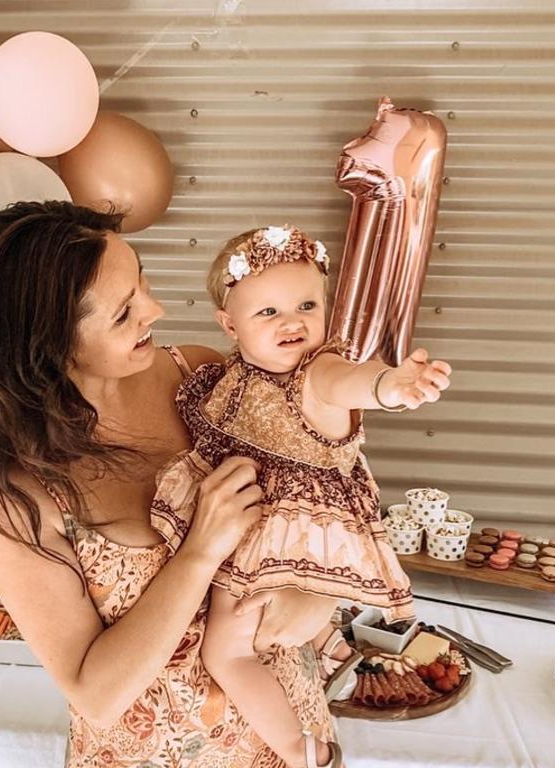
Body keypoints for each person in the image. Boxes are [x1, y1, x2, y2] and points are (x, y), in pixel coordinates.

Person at [0, 201, 339, 768]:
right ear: (49, 345)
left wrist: (318, 590)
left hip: (292, 737)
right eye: (123, 313)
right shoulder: (18, 496)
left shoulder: (200, 376)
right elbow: (95, 695)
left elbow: (314, 485)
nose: (156, 308)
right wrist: (198, 552)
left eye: (142, 280)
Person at [150, 225, 453, 768]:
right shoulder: (233, 373)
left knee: (226, 649)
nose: (293, 322)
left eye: (307, 305)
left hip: (283, 534)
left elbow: (353, 382)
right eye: (268, 312)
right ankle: (324, 642)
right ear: (230, 324)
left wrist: (392, 387)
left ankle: (296, 745)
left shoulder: (318, 371)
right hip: (249, 519)